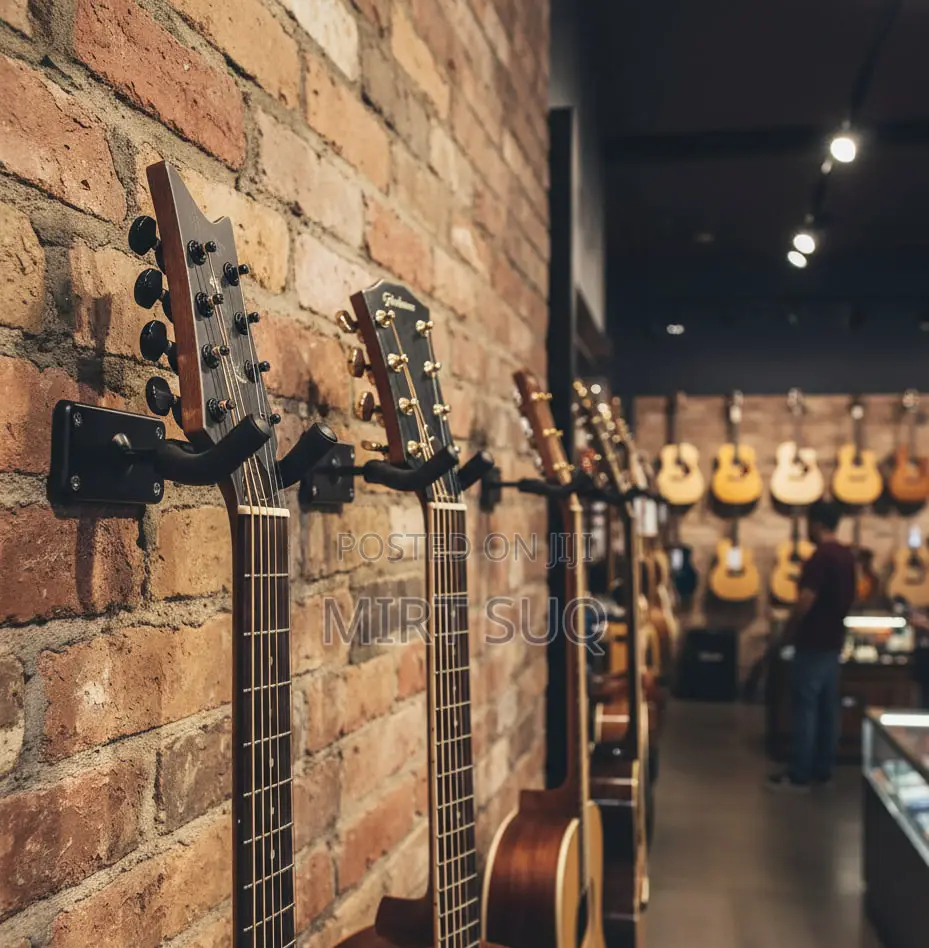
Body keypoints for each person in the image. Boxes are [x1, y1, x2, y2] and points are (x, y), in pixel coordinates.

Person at [767, 500, 856, 793]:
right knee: (828, 708)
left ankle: (800, 773)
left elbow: (806, 599)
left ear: (817, 524)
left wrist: (789, 632)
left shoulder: (821, 557)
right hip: (834, 641)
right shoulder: (846, 556)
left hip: (813, 640)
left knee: (804, 707)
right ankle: (823, 769)